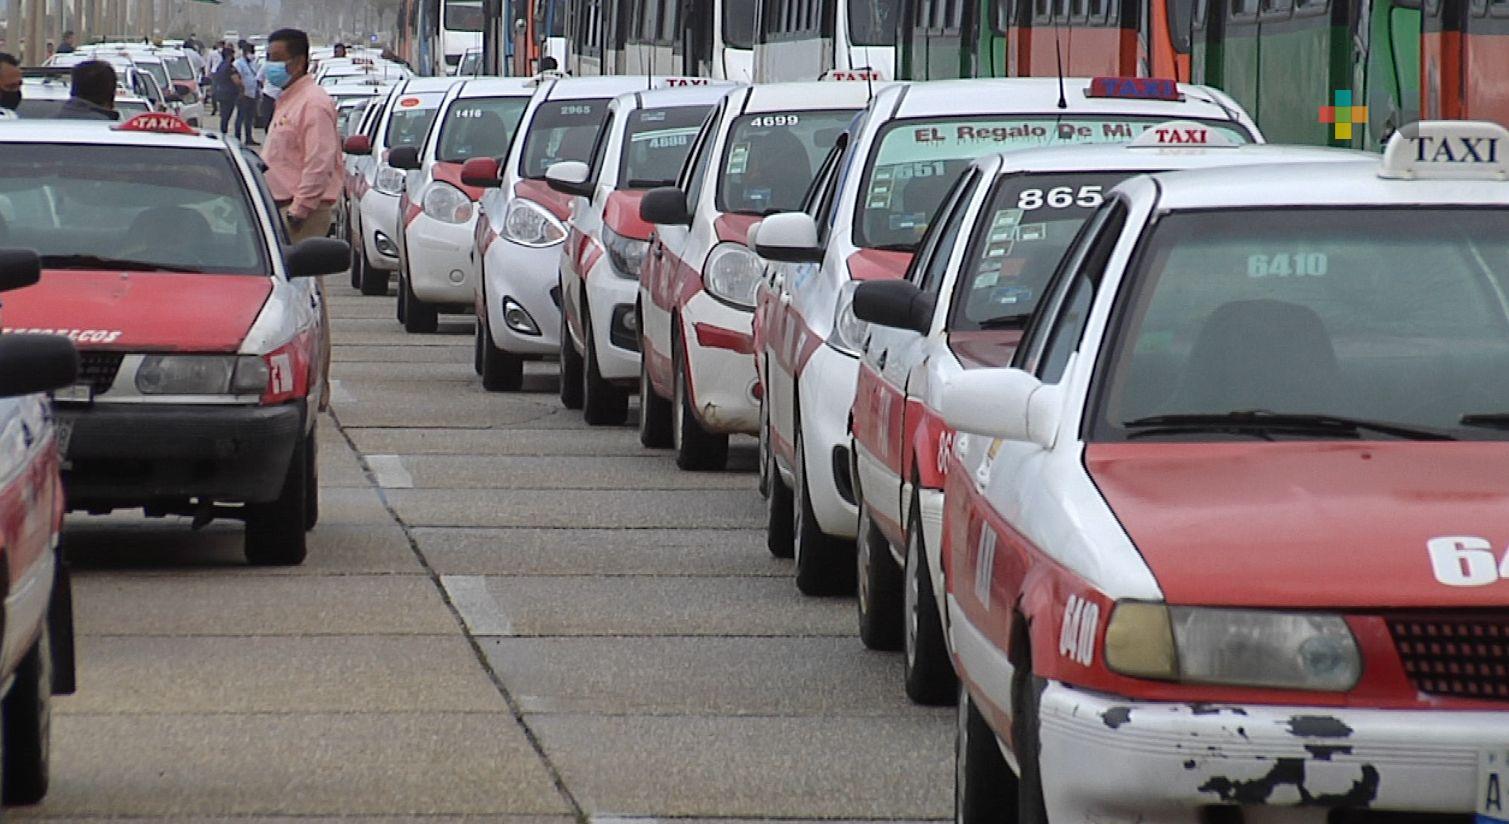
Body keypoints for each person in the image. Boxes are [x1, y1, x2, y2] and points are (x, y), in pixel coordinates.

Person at [261, 27, 340, 242]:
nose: (270, 65)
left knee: (301, 275)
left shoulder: (313, 103)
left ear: (298, 62)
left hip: (300, 214)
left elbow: (319, 162)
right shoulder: (288, 100)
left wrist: (299, 210)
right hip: (279, 207)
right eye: (268, 58)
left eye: (277, 59)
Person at [233, 42, 260, 145]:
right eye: (250, 52)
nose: (252, 54)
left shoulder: (253, 63)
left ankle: (249, 138)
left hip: (253, 93)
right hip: (243, 94)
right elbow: (236, 77)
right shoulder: (238, 63)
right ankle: (237, 138)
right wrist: (241, 90)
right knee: (240, 117)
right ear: (245, 52)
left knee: (250, 117)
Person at [212, 45, 239, 133]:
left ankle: (223, 131)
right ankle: (224, 133)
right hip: (229, 94)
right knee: (227, 115)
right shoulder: (230, 66)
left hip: (221, 92)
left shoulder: (220, 65)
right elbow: (236, 81)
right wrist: (242, 89)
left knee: (224, 115)